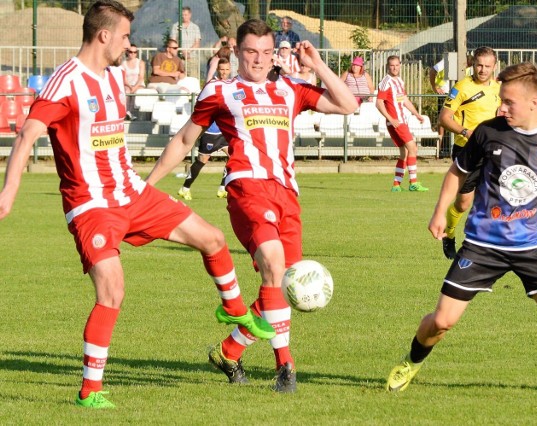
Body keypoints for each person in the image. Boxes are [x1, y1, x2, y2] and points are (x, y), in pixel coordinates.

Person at [0, 0, 275, 409]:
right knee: (112, 290)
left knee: (213, 238)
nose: (131, 45)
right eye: (126, 36)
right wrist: (9, 192)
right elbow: (27, 136)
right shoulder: (66, 82)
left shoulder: (112, 79)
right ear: (104, 35)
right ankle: (91, 391)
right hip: (91, 205)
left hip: (131, 193)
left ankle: (234, 311)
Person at [145, 18, 358, 393]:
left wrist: (317, 63)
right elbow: (183, 139)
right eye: (250, 52)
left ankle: (228, 351)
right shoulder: (220, 91)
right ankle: (286, 368)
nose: (258, 60)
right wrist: (147, 185)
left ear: (273, 53)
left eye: (265, 52)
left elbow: (349, 103)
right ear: (237, 52)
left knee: (280, 284)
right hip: (246, 188)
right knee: (275, 265)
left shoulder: (290, 88)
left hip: (287, 194)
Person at [385, 61, 537, 396]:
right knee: (441, 322)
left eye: (509, 101)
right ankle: (410, 363)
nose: (502, 107)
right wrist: (440, 212)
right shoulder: (488, 132)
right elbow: (457, 172)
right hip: (482, 246)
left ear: (533, 102)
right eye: (502, 99)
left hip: (535, 248)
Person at [438, 46, 501, 259]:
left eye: (487, 66)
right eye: (479, 65)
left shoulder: (499, 89)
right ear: (473, 64)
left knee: (493, 199)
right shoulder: (461, 88)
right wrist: (466, 131)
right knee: (463, 203)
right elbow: (444, 118)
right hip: (466, 150)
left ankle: (483, 245)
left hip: (492, 151)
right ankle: (449, 234)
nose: (482, 70)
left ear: (494, 66)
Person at [178, 59, 233, 201]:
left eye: (227, 69)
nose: (224, 72)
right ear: (217, 70)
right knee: (202, 160)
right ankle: (185, 188)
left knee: (234, 157)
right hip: (211, 131)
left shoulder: (231, 84)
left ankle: (223, 188)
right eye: (222, 69)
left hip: (224, 131)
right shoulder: (211, 85)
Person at [376, 55, 429, 192]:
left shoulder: (399, 81)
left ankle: (396, 185)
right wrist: (390, 118)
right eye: (392, 65)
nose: (394, 68)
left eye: (397, 65)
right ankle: (413, 183)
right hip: (396, 122)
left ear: (400, 65)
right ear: (388, 66)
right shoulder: (385, 82)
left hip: (400, 121)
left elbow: (404, 100)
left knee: (404, 152)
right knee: (413, 148)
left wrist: (416, 114)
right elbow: (378, 103)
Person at [429, 55, 473, 143]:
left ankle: (454, 142)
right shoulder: (448, 60)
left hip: (459, 95)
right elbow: (432, 71)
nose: (466, 67)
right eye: (466, 65)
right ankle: (440, 146)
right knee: (443, 119)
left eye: (468, 66)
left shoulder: (470, 68)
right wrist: (435, 87)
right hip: (445, 93)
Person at [170, 6, 201, 78]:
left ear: (190, 15)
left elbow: (197, 43)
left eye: (185, 15)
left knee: (193, 79)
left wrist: (188, 51)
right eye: (182, 15)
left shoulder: (195, 27)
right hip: (179, 58)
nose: (184, 17)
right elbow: (173, 42)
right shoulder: (175, 26)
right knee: (179, 80)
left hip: (192, 58)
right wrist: (182, 51)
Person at [120, 43, 145, 120]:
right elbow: (123, 78)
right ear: (127, 52)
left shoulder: (140, 62)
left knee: (136, 91)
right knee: (126, 91)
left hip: (138, 84)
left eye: (135, 52)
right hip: (127, 84)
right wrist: (130, 87)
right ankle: (126, 113)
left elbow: (141, 77)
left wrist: (135, 87)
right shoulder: (123, 63)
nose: (133, 54)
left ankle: (132, 113)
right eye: (131, 52)